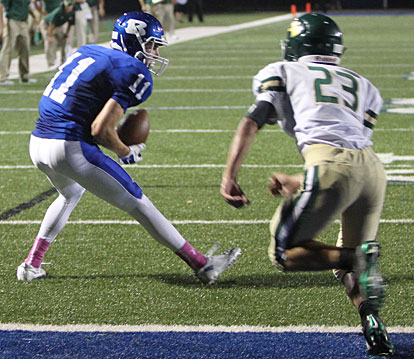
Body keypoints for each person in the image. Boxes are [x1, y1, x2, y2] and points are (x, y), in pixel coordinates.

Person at [16, 11, 241, 285]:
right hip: (69, 145)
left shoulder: (87, 50)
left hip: (38, 142)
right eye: (151, 45)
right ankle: (203, 264)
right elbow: (101, 129)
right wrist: (125, 151)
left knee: (70, 194)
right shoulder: (133, 71)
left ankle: (31, 264)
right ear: (133, 41)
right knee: (138, 203)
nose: (155, 52)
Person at [220, 13, 393, 356]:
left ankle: (360, 257)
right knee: (342, 262)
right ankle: (373, 323)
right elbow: (351, 150)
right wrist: (300, 180)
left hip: (329, 166)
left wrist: (229, 175)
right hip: (372, 171)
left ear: (297, 44)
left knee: (285, 253)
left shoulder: (284, 70)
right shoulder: (363, 83)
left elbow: (252, 122)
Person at [0, 0, 37, 84]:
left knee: (25, 48)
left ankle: (25, 76)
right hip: (12, 20)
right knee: (8, 49)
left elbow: (27, 5)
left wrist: (33, 15)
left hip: (23, 21)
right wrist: (2, 23)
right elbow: (1, 5)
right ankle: (2, 77)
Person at [43, 0, 75, 67]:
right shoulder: (58, 12)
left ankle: (64, 61)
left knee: (64, 41)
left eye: (70, 6)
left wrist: (66, 34)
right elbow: (51, 24)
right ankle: (50, 63)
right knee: (50, 42)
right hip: (47, 25)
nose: (69, 7)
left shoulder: (72, 13)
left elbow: (70, 24)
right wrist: (51, 36)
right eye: (67, 6)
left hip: (58, 26)